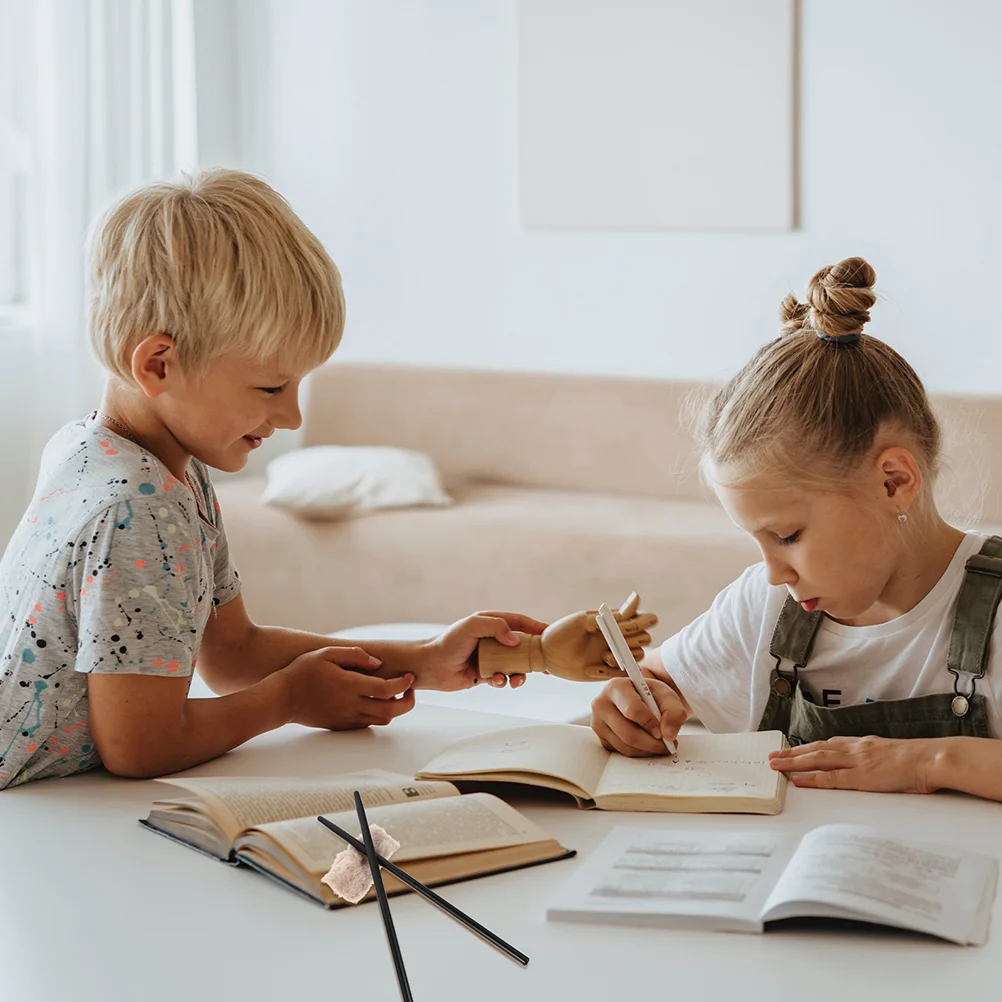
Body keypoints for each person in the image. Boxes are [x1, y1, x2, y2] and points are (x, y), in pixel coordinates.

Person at [0, 169, 543, 790]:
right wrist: (286, 701)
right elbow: (140, 745)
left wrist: (422, 659)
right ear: (158, 364)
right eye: (270, 388)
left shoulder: (118, 456)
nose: (292, 416)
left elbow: (233, 654)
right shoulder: (136, 510)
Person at [591, 256, 1002, 801]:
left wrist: (931, 759)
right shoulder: (763, 612)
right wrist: (634, 702)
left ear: (894, 482)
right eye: (756, 540)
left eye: (787, 536)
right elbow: (656, 680)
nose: (772, 573)